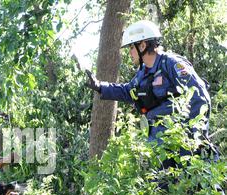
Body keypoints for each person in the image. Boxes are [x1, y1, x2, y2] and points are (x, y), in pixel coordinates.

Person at [85, 20, 217, 168]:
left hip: (181, 145)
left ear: (142, 45)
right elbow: (128, 91)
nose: (130, 53)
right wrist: (100, 86)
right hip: (157, 147)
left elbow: (199, 98)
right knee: (157, 187)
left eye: (131, 47)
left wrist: (193, 138)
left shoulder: (172, 64)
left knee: (197, 187)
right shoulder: (143, 73)